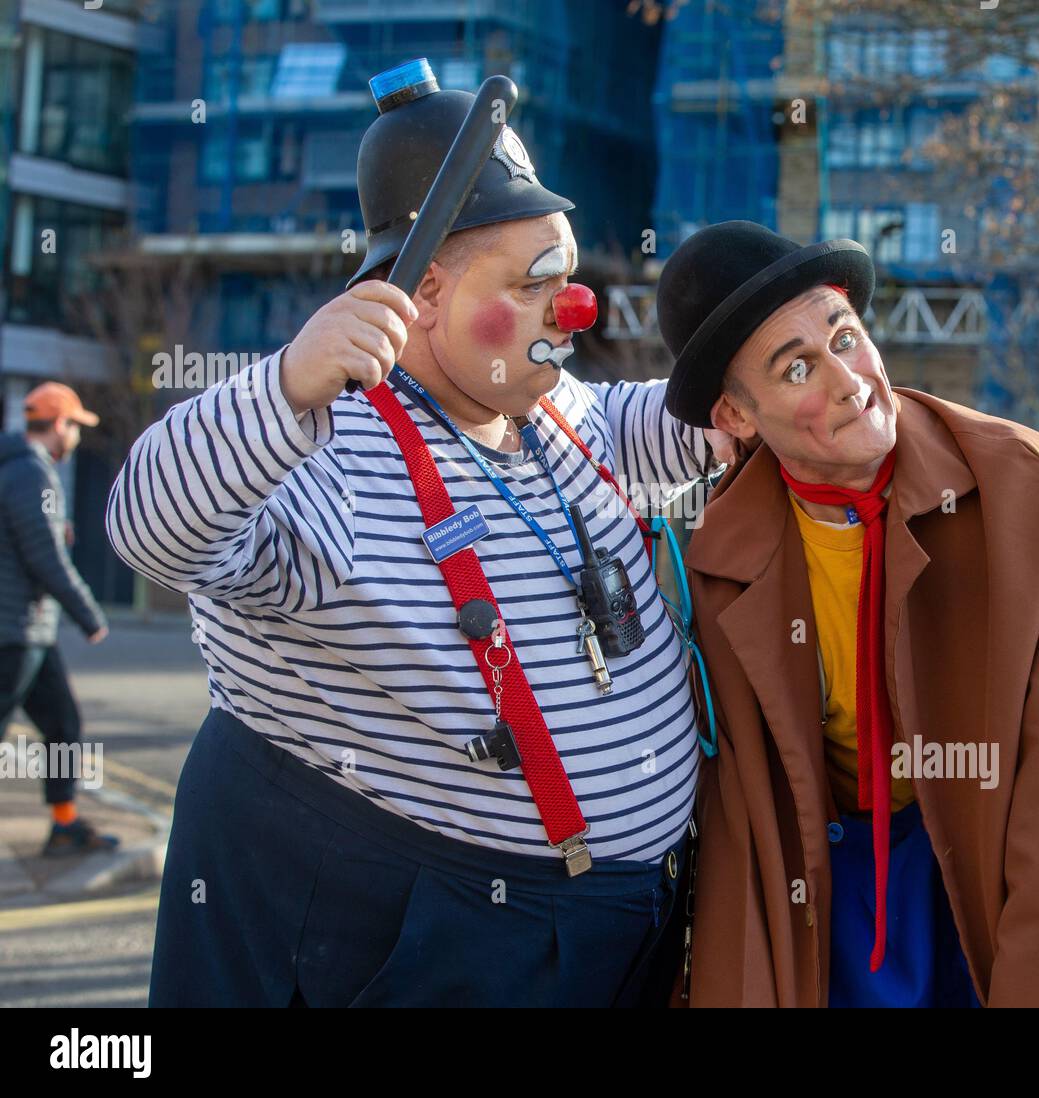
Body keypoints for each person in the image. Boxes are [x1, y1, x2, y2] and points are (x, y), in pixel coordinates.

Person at [107, 60, 722, 1007]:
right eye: (533, 285)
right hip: (446, 944)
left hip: (618, 933)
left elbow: (687, 420)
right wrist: (282, 387)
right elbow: (150, 528)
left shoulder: (563, 414)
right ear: (424, 293)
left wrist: (764, 380)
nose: (573, 309)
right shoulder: (329, 447)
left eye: (569, 276)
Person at [656, 220, 1039, 1007]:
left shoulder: (1028, 492)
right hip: (845, 884)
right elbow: (744, 826)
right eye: (797, 368)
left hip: (1014, 856)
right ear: (735, 416)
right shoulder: (713, 556)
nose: (849, 380)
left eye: (845, 337)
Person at [0, 381, 115, 855]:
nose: (78, 439)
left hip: (30, 630)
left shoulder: (21, 470)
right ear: (59, 425)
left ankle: (64, 824)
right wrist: (89, 614)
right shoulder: (31, 474)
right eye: (76, 428)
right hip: (13, 629)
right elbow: (43, 556)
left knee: (63, 724)